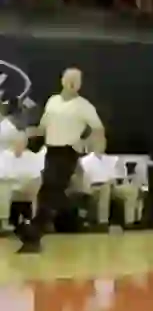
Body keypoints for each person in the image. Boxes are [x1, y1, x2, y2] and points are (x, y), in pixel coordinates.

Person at [16, 68, 104, 254]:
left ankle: (34, 229)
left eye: (77, 80)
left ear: (80, 84)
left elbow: (98, 129)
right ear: (62, 80)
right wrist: (27, 135)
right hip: (51, 150)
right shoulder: (52, 102)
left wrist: (89, 144)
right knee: (49, 191)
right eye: (69, 78)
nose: (72, 82)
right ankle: (36, 232)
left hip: (68, 152)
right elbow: (43, 127)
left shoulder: (84, 106)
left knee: (52, 187)